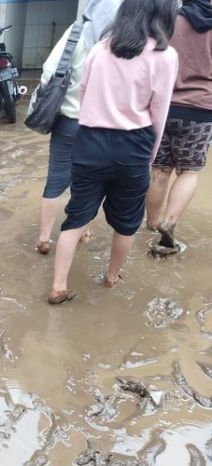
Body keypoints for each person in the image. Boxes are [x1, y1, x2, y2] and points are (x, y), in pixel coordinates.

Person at [48, 0, 179, 304]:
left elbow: (83, 94)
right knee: (126, 222)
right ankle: (110, 278)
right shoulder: (165, 56)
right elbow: (159, 114)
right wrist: (148, 158)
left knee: (76, 217)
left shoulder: (101, 48)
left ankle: (58, 285)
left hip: (90, 141)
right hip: (134, 146)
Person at [36, 0, 121, 255]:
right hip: (102, 126)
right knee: (87, 184)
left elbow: (49, 72)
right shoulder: (124, 42)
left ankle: (43, 238)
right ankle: (82, 230)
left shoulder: (75, 32)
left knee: (55, 180)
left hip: (68, 121)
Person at [145, 0, 212, 251]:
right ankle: (168, 222)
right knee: (189, 171)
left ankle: (151, 224)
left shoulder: (168, 20)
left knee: (159, 169)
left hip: (164, 107)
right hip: (201, 110)